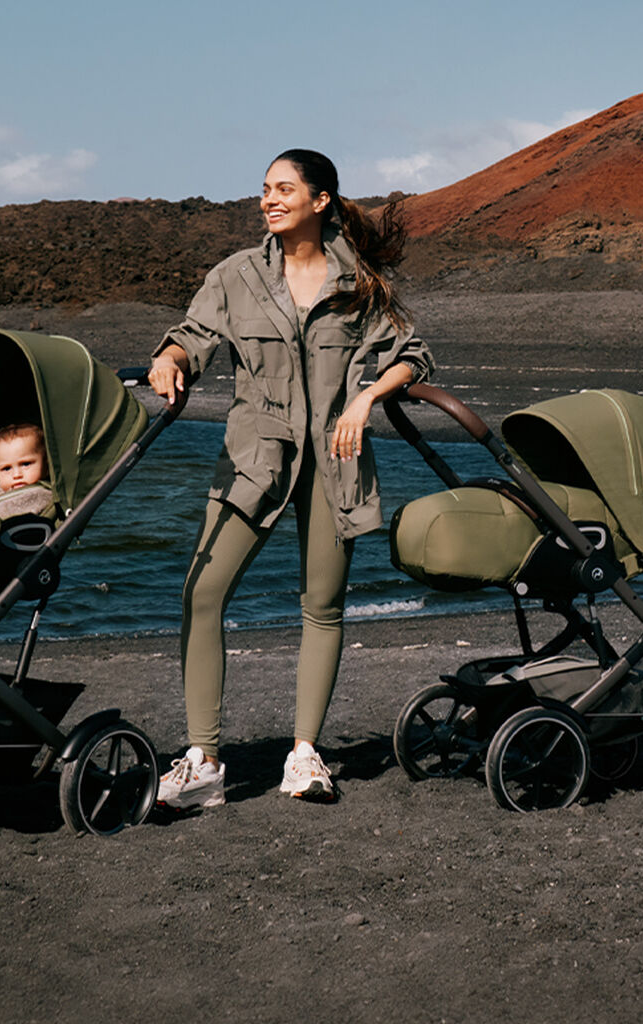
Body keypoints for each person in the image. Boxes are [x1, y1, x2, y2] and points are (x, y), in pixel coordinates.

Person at [145, 148, 434, 809]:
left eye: (283, 189)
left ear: (320, 200)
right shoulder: (238, 274)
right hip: (256, 460)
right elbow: (192, 334)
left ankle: (305, 757)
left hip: (336, 463)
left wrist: (364, 401)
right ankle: (204, 762)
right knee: (201, 593)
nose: (268, 200)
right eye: (264, 189)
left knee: (322, 606)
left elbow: (412, 354)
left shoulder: (358, 281)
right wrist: (168, 359)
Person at [0, 422, 54, 520]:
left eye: (26, 464)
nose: (16, 475)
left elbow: (5, 513)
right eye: (7, 468)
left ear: (46, 465)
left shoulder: (40, 495)